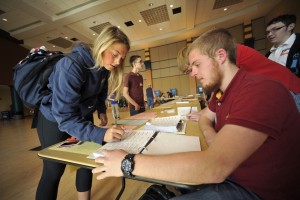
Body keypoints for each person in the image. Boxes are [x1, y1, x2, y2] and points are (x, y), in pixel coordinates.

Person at [92, 28, 300, 200]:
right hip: (235, 177)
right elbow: (204, 118)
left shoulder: (259, 90)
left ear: (220, 55)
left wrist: (127, 163)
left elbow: (214, 167)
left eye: (197, 65)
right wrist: (215, 140)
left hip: (255, 191)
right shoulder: (222, 93)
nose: (192, 72)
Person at [36, 25, 129, 200]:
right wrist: (101, 133)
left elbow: (101, 89)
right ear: (103, 45)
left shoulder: (104, 67)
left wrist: (101, 109)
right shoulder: (71, 66)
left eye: (121, 58)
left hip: (81, 113)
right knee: (54, 171)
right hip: (55, 118)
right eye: (115, 54)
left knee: (86, 162)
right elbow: (65, 118)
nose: (117, 62)